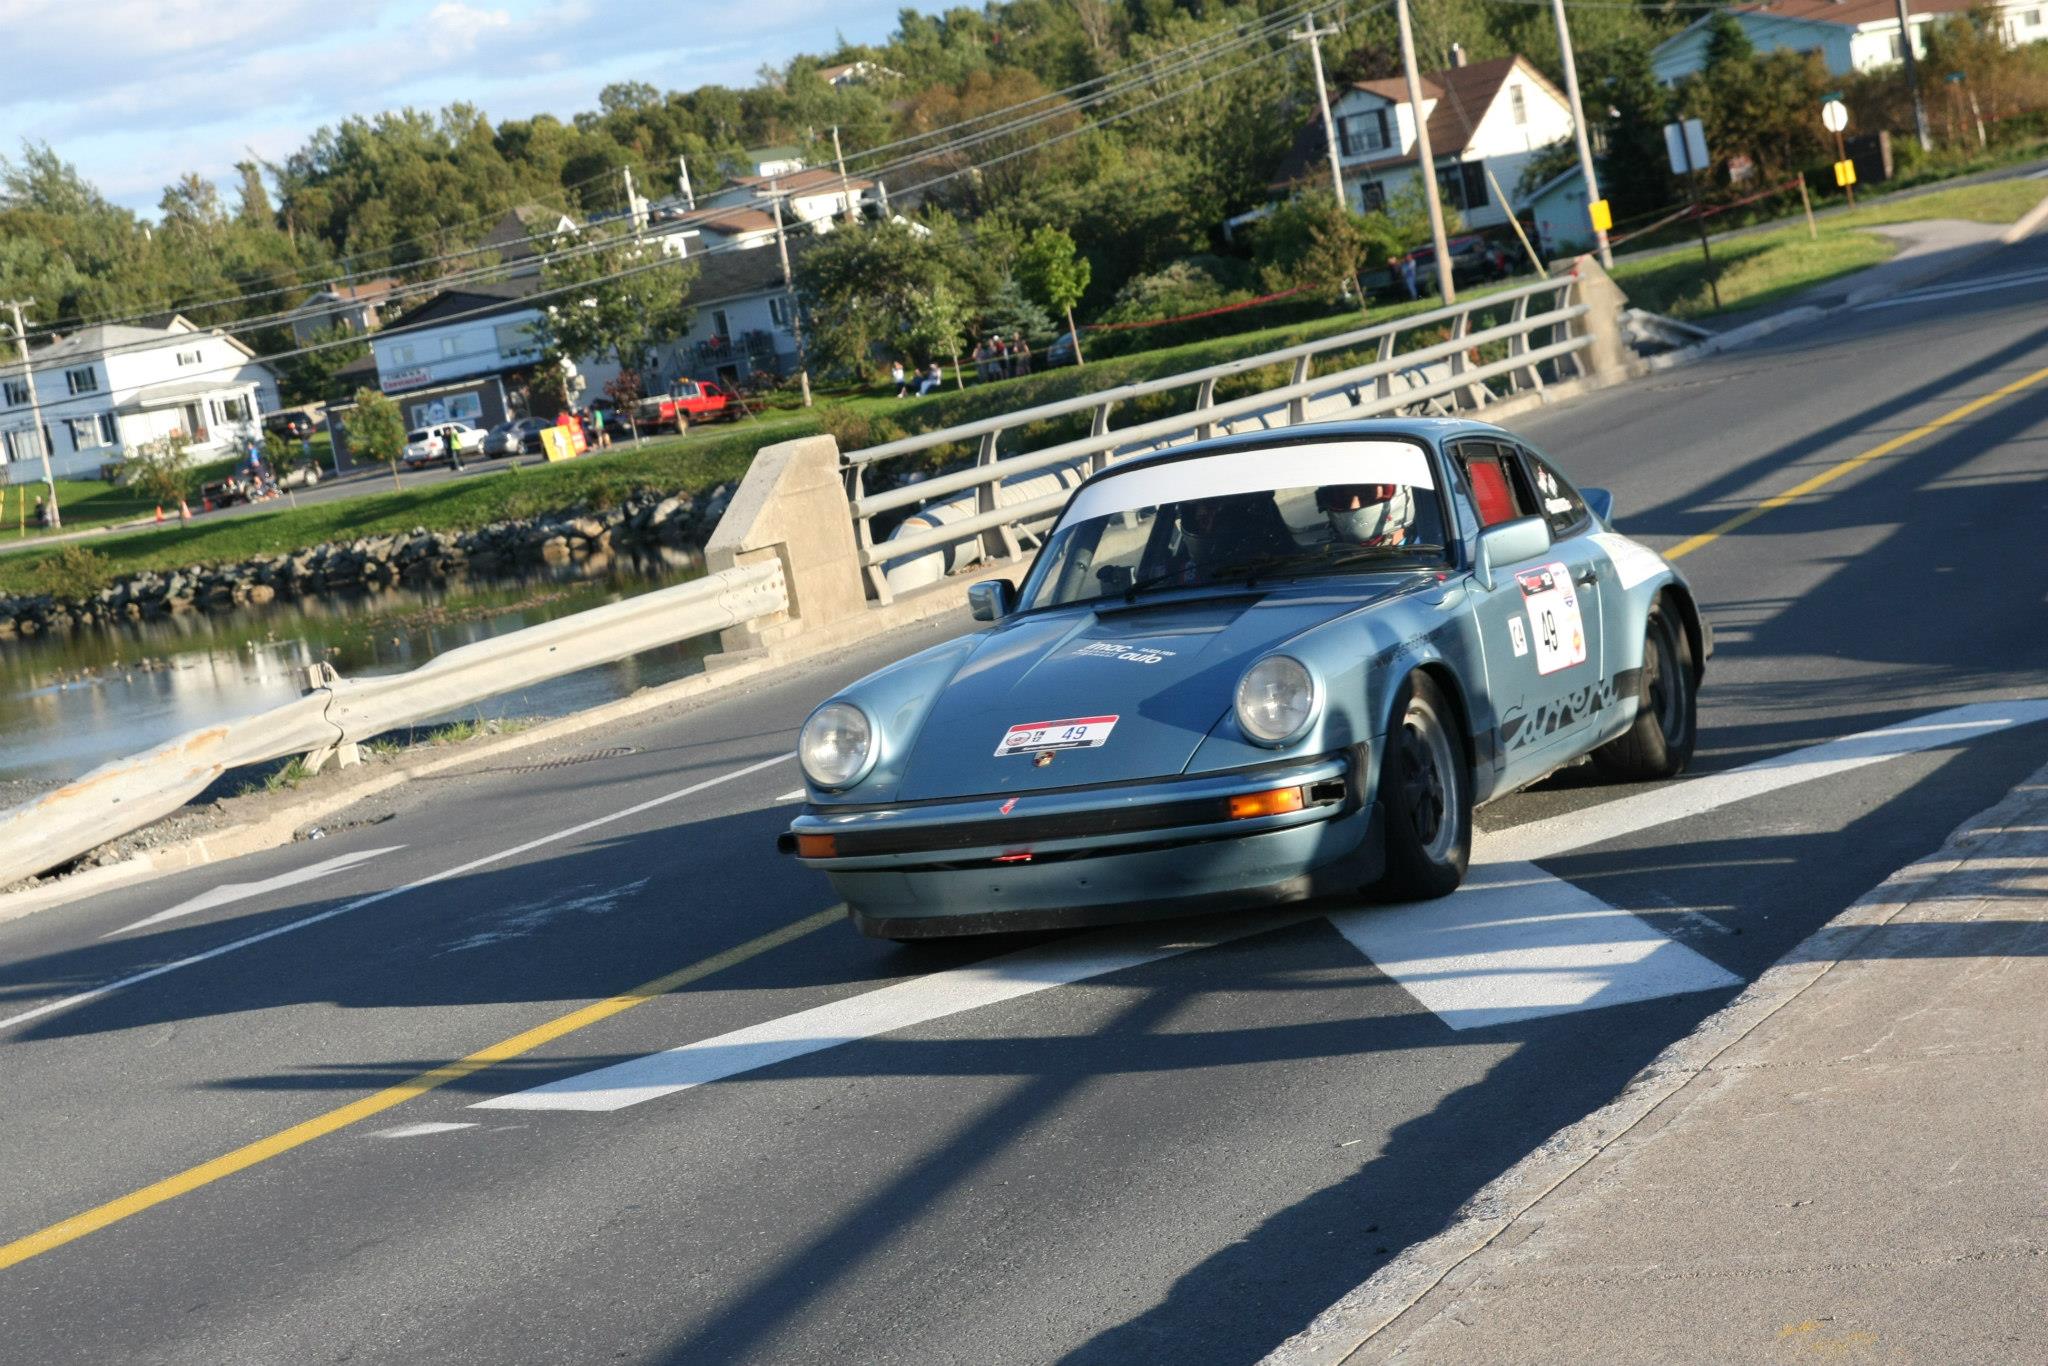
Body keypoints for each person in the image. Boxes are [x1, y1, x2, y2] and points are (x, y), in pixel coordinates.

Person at [1316, 482, 1416, 549]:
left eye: (1367, 493)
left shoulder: (1426, 551)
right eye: (1343, 497)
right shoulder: (1326, 558)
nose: (1354, 506)